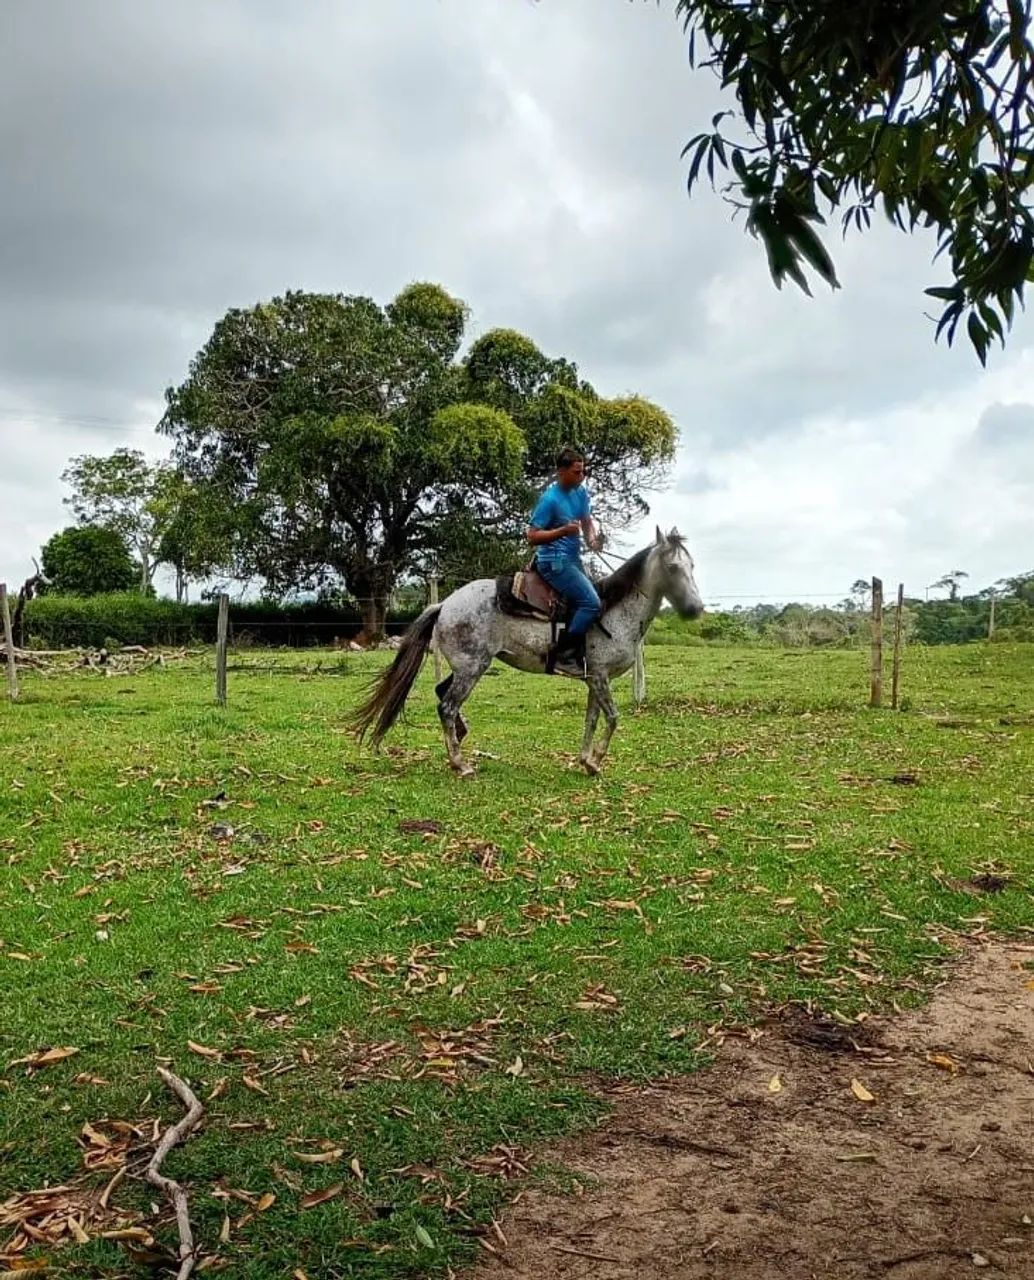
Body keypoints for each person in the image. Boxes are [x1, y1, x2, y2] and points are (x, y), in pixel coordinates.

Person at [526, 446, 603, 675]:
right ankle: (564, 654)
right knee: (592, 603)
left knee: (595, 594)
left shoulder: (580, 493)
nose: (582, 476)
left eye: (584, 472)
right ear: (562, 472)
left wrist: (592, 540)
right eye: (577, 472)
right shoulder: (550, 500)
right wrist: (562, 531)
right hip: (553, 562)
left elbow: (586, 520)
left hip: (572, 559)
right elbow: (532, 536)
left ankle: (581, 648)